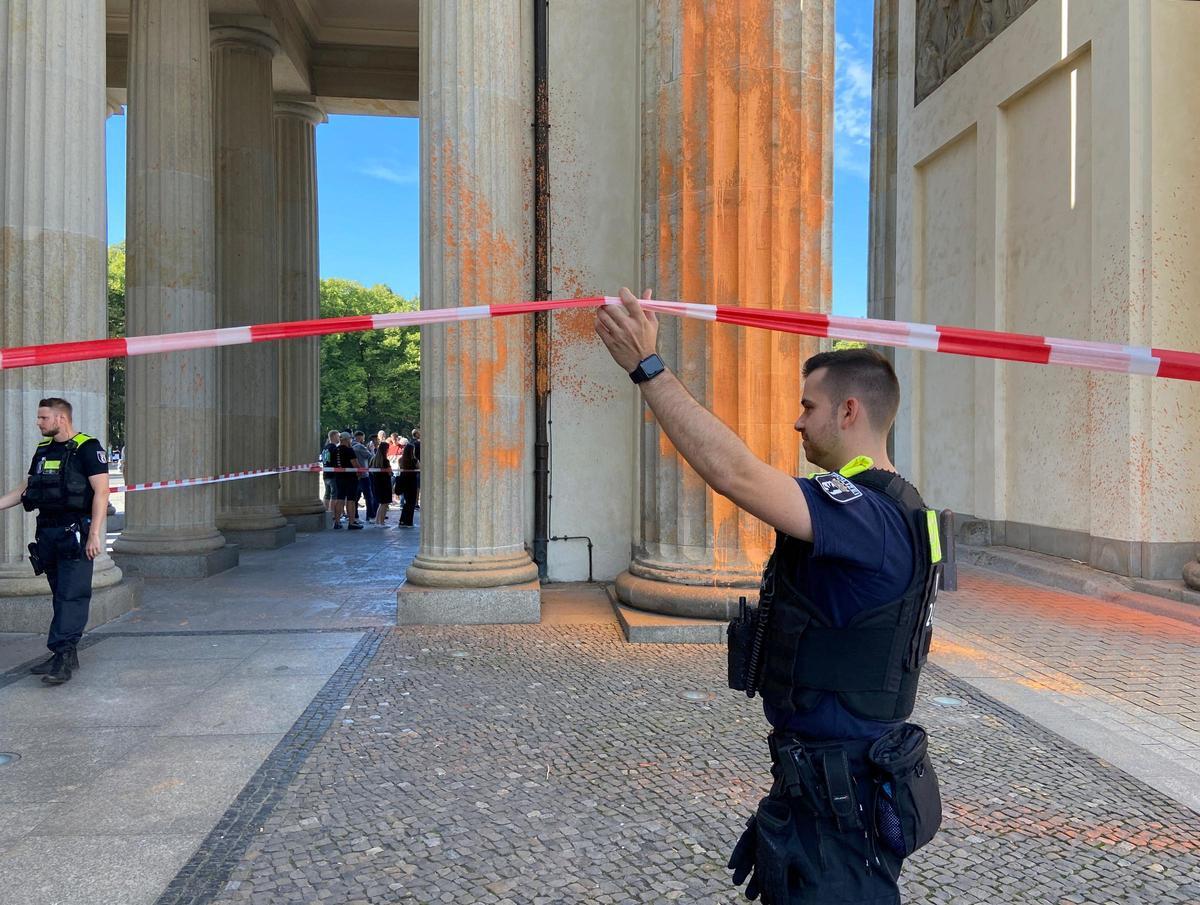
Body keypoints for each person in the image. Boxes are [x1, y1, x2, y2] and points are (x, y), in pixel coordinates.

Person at [595, 289, 944, 905]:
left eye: (809, 406)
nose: (798, 421)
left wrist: (648, 367)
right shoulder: (886, 506)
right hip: (822, 782)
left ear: (849, 411)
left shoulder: (867, 513)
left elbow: (737, 475)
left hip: (844, 794)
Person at [0, 398, 111, 685]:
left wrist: (95, 534)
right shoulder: (43, 450)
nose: (38, 423)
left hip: (76, 533)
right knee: (60, 593)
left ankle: (62, 656)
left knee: (71, 595)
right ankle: (65, 652)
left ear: (61, 418)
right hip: (48, 534)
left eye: (43, 418)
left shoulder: (88, 447)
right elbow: (25, 489)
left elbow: (101, 492)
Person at [329, 433, 363, 529]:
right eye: (349, 439)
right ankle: (351, 522)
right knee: (351, 500)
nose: (350, 441)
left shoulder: (335, 450)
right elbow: (355, 464)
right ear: (346, 439)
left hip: (339, 477)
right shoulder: (349, 450)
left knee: (340, 499)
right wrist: (359, 473)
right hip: (350, 478)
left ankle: (337, 522)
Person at [395, 440, 420, 529]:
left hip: (404, 481)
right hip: (412, 482)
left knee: (406, 502)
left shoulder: (401, 460)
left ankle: (402, 521)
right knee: (411, 503)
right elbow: (419, 468)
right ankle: (409, 522)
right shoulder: (414, 460)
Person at [369, 441, 393, 526]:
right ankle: (382, 522)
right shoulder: (385, 460)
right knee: (385, 504)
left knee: (381, 503)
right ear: (385, 450)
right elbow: (390, 473)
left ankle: (377, 521)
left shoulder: (373, 459)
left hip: (377, 483)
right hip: (385, 484)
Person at [320, 429, 340, 512]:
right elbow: (337, 461)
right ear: (334, 436)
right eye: (338, 436)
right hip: (333, 475)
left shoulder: (325, 448)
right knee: (334, 495)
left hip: (326, 474)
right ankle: (331, 513)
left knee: (327, 494)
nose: (339, 438)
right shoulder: (334, 448)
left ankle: (326, 512)